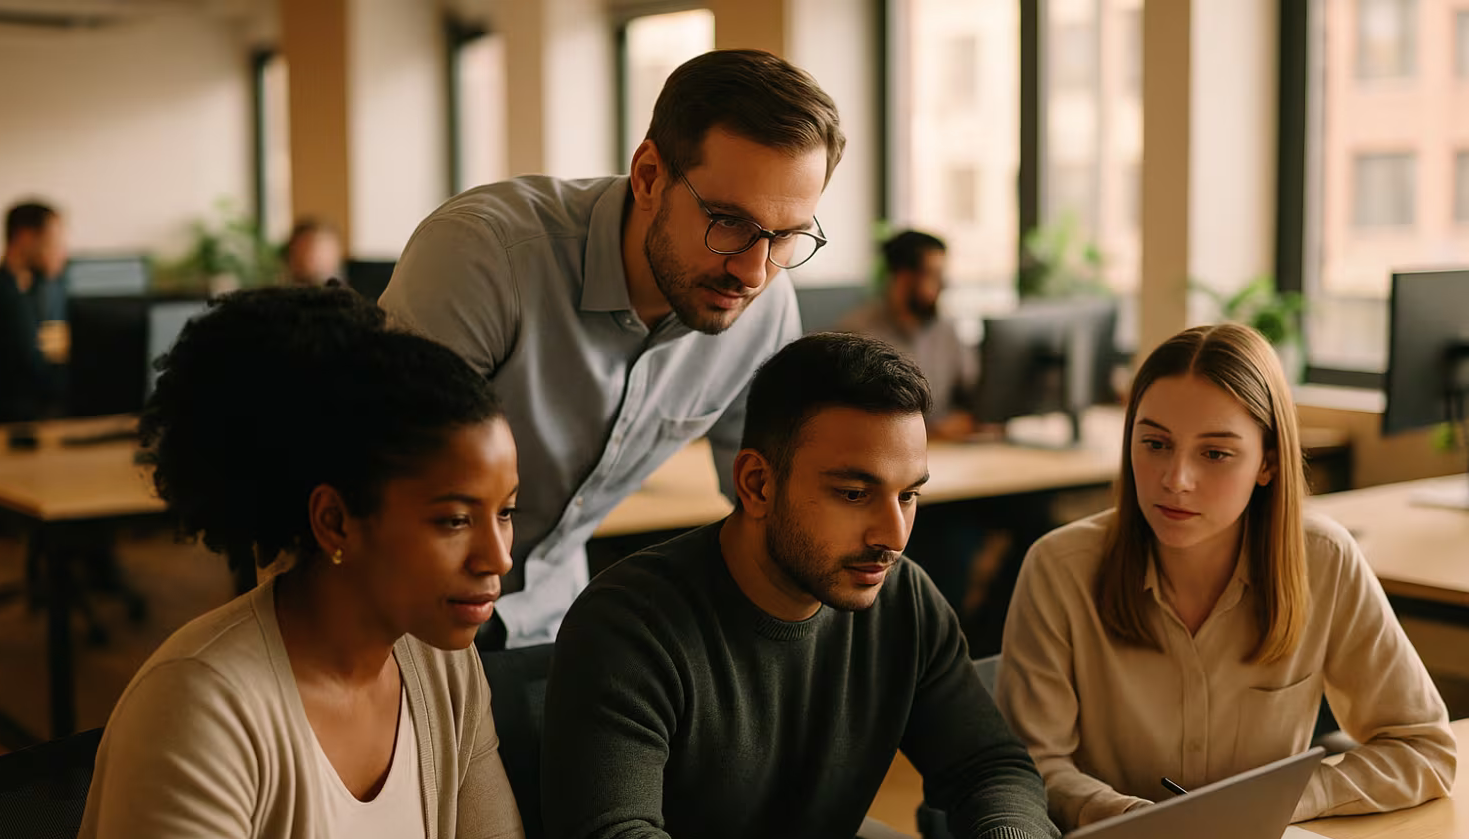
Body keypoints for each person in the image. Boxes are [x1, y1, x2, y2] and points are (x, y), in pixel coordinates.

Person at [29, 287, 621, 839]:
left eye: (506, 513)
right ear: (336, 522)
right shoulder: (201, 699)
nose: (498, 556)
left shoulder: (439, 660)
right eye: (454, 521)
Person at [542, 334, 1061, 839]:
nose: (893, 535)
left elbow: (988, 763)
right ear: (757, 483)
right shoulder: (630, 620)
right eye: (853, 493)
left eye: (908, 495)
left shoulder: (902, 600)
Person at [380, 49, 844, 649]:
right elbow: (390, 480)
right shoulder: (486, 256)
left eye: (786, 237)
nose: (753, 272)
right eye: (727, 221)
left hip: (549, 623)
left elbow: (765, 513)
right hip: (402, 613)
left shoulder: (764, 309)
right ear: (650, 176)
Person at [995, 323, 1456, 832]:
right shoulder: (1060, 569)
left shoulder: (1323, 559)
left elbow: (1424, 747)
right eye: (1155, 444)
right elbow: (1031, 769)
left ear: (1268, 462)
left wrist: (1287, 798)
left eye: (1215, 453)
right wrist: (1129, 818)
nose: (1175, 480)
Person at [839, 230, 976, 441]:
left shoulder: (946, 329)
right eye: (934, 274)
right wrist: (930, 433)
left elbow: (972, 388)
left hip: (948, 449)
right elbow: (849, 421)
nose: (943, 285)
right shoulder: (856, 336)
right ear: (903, 278)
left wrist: (967, 416)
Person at [0, 201, 69, 424]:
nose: (61, 252)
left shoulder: (36, 289)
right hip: (4, 427)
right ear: (25, 237)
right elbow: (32, 369)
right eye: (53, 242)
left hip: (34, 416)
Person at [284, 217, 345, 287]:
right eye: (305, 250)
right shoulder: (277, 290)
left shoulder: (358, 283)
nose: (310, 259)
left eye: (322, 251)